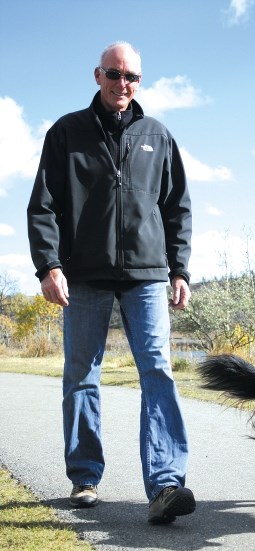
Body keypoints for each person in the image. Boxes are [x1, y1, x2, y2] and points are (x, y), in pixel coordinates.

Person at [27, 41, 195, 524]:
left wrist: (179, 268)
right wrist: (49, 266)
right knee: (82, 373)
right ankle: (84, 475)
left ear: (140, 81)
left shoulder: (158, 135)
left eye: (132, 77)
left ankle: (166, 484)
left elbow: (176, 207)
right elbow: (43, 204)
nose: (124, 83)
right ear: (97, 75)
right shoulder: (66, 133)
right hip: (84, 274)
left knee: (158, 371)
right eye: (114, 74)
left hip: (146, 275)